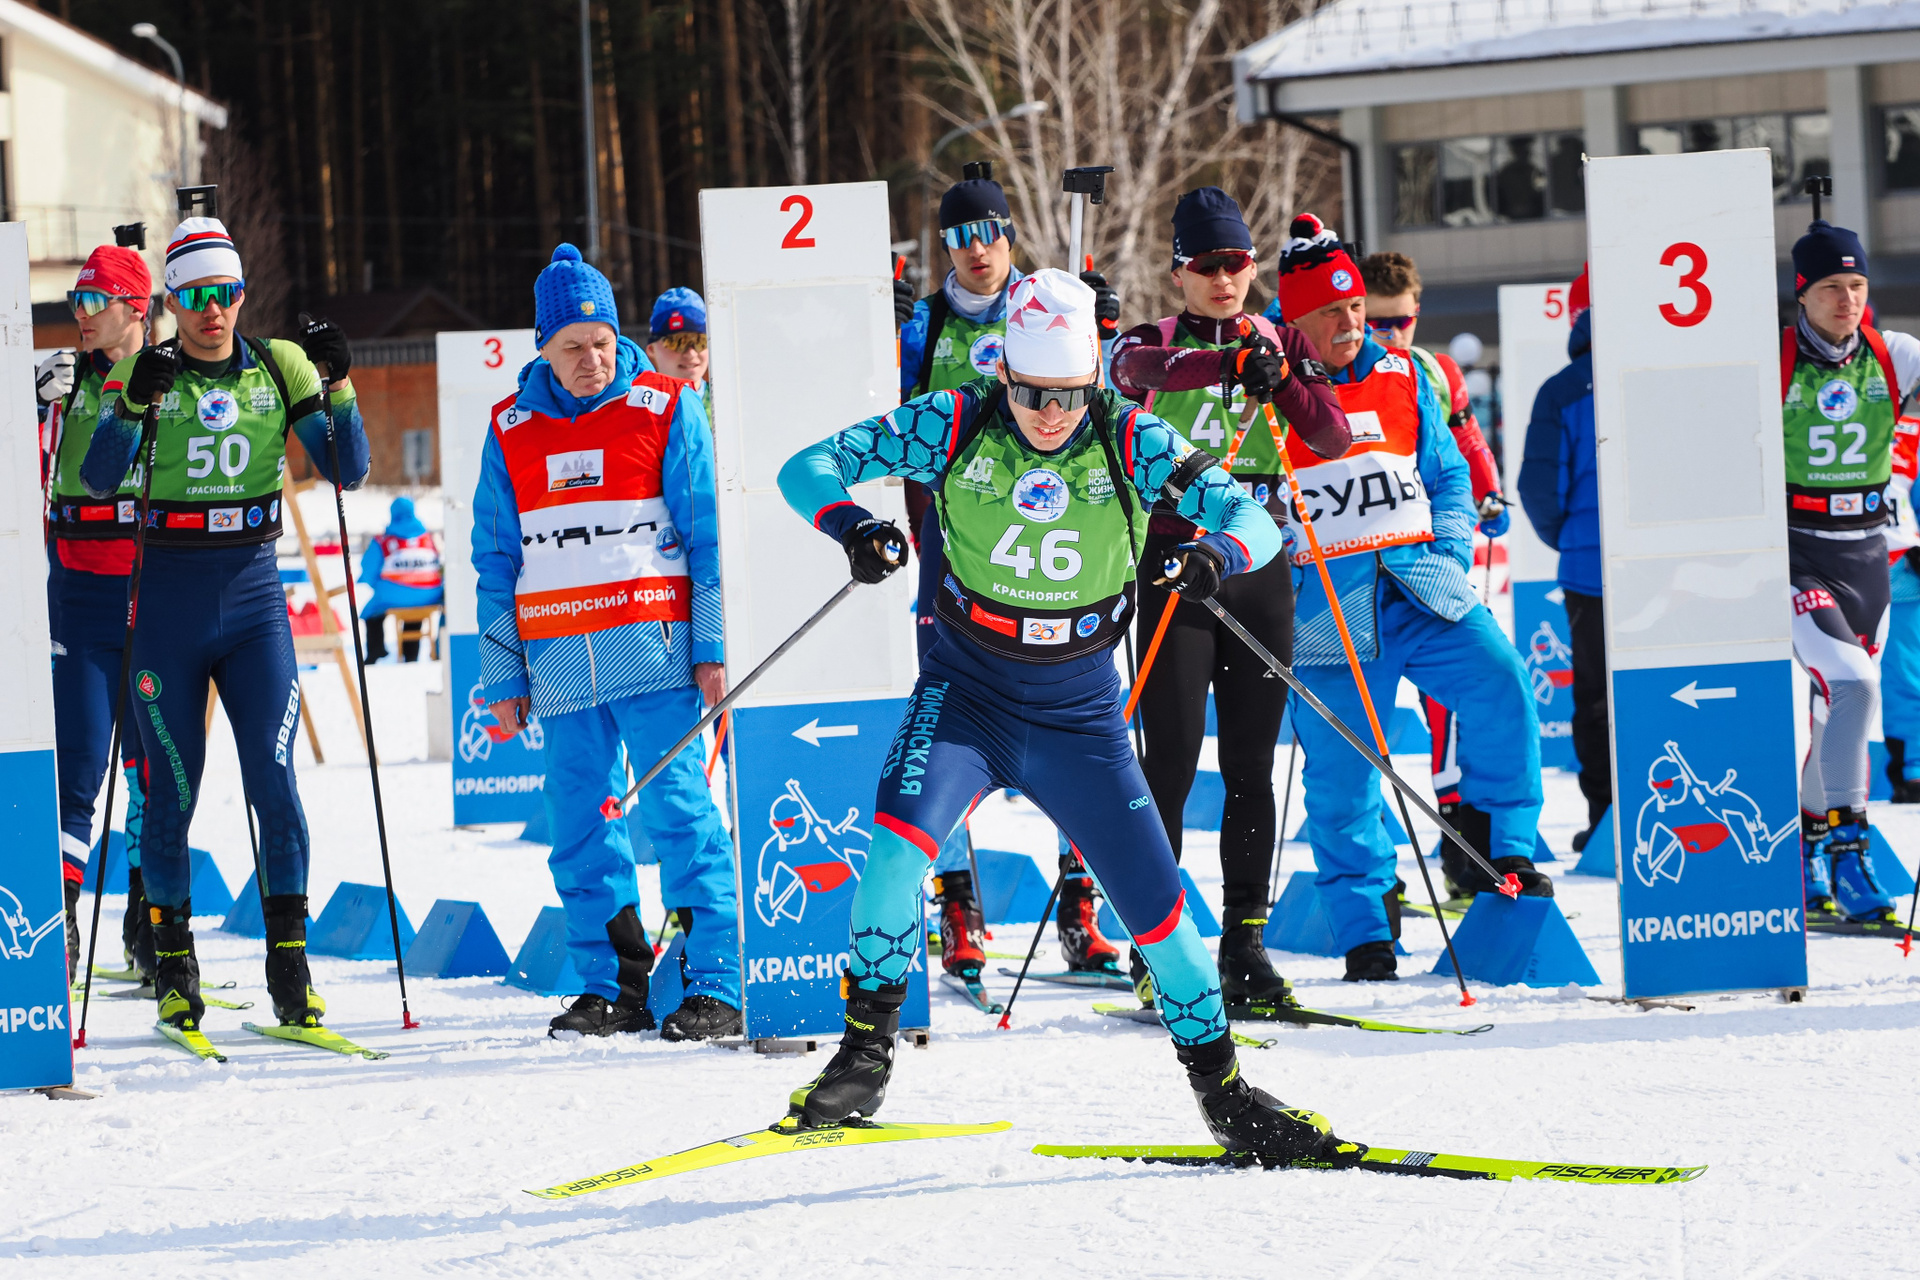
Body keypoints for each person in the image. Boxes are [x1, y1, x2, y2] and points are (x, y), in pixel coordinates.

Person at [775, 267, 1362, 1166]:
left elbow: (1252, 514)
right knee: (893, 856)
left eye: (1069, 394)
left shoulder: (1131, 437)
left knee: (1162, 918)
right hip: (965, 696)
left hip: (1080, 716)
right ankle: (863, 1057)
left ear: (1093, 377)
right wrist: (852, 524)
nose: (1050, 414)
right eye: (1032, 394)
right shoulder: (953, 420)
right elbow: (804, 466)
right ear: (1003, 373)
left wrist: (1215, 551)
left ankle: (1226, 1095)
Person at [80, 215, 368, 1037]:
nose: (214, 310)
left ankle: (291, 969)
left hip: (252, 604)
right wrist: (128, 404)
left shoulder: (279, 365)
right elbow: (98, 480)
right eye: (198, 295)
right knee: (171, 792)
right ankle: (175, 970)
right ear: (171, 301)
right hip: (167, 603)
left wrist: (341, 387)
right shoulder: (146, 368)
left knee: (274, 782)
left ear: (244, 294)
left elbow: (347, 469)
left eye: (228, 292)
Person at [473, 244, 742, 1040]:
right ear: (542, 348)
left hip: (655, 659)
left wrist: (712, 648)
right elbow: (495, 559)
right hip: (561, 670)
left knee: (681, 816)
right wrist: (503, 676)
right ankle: (612, 987)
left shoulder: (664, 405)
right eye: (571, 347)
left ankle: (716, 982)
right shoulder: (510, 429)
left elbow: (708, 538)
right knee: (581, 831)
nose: (590, 360)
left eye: (600, 341)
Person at [1276, 214, 1545, 983]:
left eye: (1356, 306)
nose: (1351, 323)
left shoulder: (1404, 374)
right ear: (1296, 320)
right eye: (1331, 312)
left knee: (1502, 683)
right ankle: (1366, 927)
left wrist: (1450, 549)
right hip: (1328, 611)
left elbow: (1449, 472)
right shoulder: (1270, 388)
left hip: (1420, 586)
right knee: (1342, 776)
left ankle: (1505, 848)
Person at [1107, 187, 1350, 1011]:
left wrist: (1280, 381)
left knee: (1252, 764)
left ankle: (1244, 945)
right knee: (1170, 764)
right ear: (1179, 272)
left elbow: (1331, 435)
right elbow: (1135, 373)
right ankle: (1158, 949)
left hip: (1258, 562)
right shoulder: (1151, 339)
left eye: (1237, 263)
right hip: (1174, 561)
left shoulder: (1281, 339)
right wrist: (1226, 366)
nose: (1224, 280)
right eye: (1207, 266)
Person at [896, 162, 1125, 989]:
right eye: (958, 236)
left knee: (1076, 721)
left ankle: (1080, 904)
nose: (976, 249)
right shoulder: (925, 325)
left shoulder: (1053, 303)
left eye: (987, 231)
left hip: (1059, 541)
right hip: (957, 548)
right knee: (946, 721)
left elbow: (1111, 398)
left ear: (1008, 234)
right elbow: (899, 425)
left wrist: (1105, 327)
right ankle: (958, 908)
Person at [1360, 250, 1517, 896]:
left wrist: (1490, 493)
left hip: (1432, 563)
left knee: (1451, 707)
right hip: (1362, 570)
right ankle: (1374, 871)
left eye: (1401, 322)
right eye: (1377, 323)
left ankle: (1462, 845)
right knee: (1358, 724)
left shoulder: (1436, 371)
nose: (1390, 336)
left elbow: (1467, 444)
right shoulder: (1342, 372)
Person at [1777, 221, 1920, 922]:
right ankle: (1848, 851)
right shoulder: (1774, 357)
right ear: (1802, 293)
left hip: (1867, 554)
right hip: (1795, 551)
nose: (1847, 299)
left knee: (1839, 711)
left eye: (1857, 284)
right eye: (1832, 287)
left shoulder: (1894, 354)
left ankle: (1803, 857)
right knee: (1857, 685)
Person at [37, 241, 155, 982]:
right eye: (74, 300)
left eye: (92, 300)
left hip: (154, 595)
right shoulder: (62, 375)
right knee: (79, 768)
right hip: (78, 596)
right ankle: (63, 924)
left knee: (153, 772)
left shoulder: (167, 374)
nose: (78, 313)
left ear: (134, 307)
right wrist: (24, 401)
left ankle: (149, 919)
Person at [1518, 266, 1610, 853]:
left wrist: (1575, 537)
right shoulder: (1661, 373)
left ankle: (1605, 816)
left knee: (1595, 697)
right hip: (1667, 570)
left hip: (1588, 568)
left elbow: (1539, 489)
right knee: (1663, 683)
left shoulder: (1562, 389)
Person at [1881, 414, 1920, 803]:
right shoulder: (1818, 415)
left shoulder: (1911, 431)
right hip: (1832, 568)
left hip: (1902, 574)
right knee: (1836, 680)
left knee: (1907, 676)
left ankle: (1913, 772)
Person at [357, 495, 443, 663]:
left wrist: (378, 585)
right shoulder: (428, 537)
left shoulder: (383, 540)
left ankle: (376, 651)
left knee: (372, 611)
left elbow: (368, 569)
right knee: (416, 608)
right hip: (430, 594)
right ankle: (411, 654)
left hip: (393, 594)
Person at [645, 287, 710, 392]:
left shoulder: (728, 397)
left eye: (699, 341)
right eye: (677, 342)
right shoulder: (638, 401)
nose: (691, 354)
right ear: (652, 350)